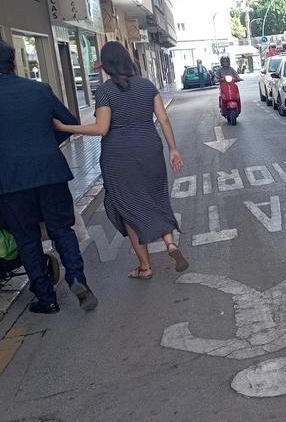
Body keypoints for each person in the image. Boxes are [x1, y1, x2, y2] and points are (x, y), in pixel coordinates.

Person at [0, 40, 97, 314]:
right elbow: (68, 122)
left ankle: (46, 299)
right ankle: (77, 279)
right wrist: (46, 145)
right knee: (61, 229)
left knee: (27, 238)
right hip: (49, 172)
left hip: (10, 181)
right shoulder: (40, 90)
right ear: (15, 62)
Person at [54, 41, 187, 280]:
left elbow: (102, 127)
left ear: (106, 64)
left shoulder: (105, 90)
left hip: (120, 155)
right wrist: (173, 149)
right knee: (155, 198)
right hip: (150, 148)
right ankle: (170, 243)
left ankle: (145, 267)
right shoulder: (147, 85)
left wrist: (66, 127)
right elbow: (164, 119)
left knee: (126, 207)